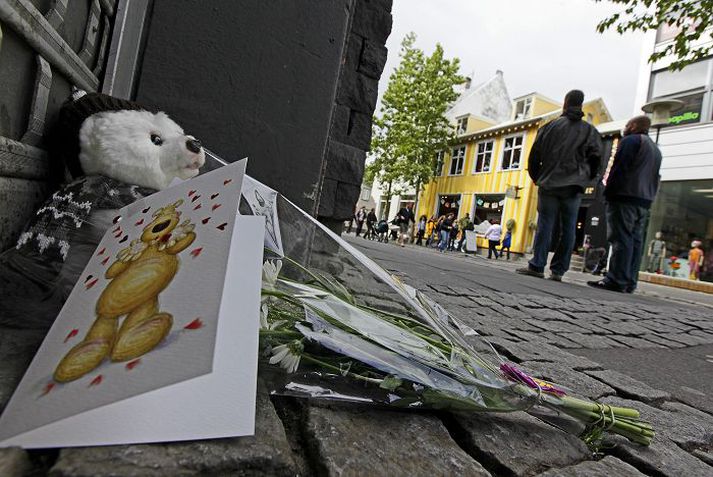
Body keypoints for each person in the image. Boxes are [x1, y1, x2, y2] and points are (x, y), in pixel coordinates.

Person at [516, 90, 603, 281]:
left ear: (565, 103)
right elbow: (596, 157)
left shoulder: (549, 128)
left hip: (549, 182)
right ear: (581, 105)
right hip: (573, 185)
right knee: (569, 227)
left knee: (545, 224)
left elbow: (534, 157)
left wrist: (537, 177)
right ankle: (558, 270)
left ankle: (537, 265)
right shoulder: (589, 131)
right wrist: (586, 177)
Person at [588, 115, 662, 293]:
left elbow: (619, 168)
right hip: (643, 201)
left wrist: (609, 192)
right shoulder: (655, 149)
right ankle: (629, 281)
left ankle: (616, 279)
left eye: (628, 124)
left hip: (625, 195)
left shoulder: (631, 141)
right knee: (635, 241)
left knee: (621, 238)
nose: (626, 127)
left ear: (635, 125)